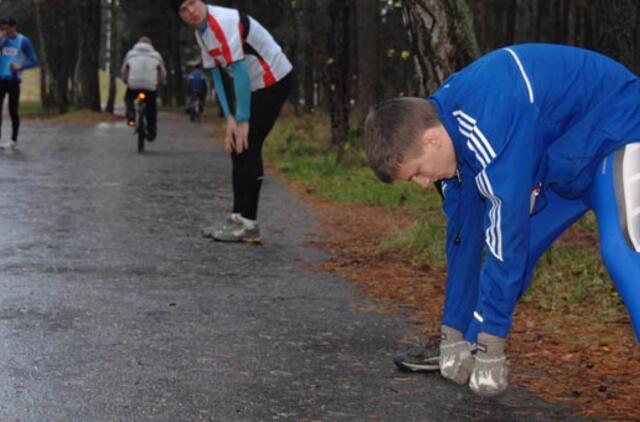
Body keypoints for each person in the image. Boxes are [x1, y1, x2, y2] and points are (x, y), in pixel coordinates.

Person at [364, 44, 640, 397]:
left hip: (619, 129)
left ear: (430, 139)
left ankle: (484, 341)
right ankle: (470, 339)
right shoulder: (450, 140)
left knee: (623, 251)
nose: (421, 184)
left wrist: (493, 343)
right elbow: (464, 239)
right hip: (563, 166)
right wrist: (453, 333)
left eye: (417, 172)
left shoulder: (489, 120)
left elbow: (504, 231)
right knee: (514, 256)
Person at [173, 0, 294, 243]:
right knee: (236, 147)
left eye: (192, 4)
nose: (191, 12)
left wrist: (243, 118)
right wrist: (229, 117)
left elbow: (238, 70)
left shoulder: (223, 21)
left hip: (274, 80)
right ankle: (237, 218)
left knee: (248, 144)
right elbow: (218, 74)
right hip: (253, 84)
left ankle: (250, 224)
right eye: (183, 10)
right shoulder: (202, 33)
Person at [0, 16, 37, 150]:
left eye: (6, 28)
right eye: (1, 28)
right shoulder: (2, 40)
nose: (4, 31)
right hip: (0, 80)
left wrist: (20, 67)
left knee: (12, 111)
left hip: (13, 80)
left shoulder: (24, 41)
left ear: (13, 27)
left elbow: (34, 60)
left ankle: (13, 140)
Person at [121, 36, 166, 142]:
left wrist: (125, 80)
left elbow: (124, 69)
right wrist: (160, 82)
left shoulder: (130, 54)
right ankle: (151, 132)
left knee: (128, 98)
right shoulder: (156, 55)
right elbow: (163, 72)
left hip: (134, 83)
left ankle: (131, 115)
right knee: (151, 107)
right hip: (150, 85)